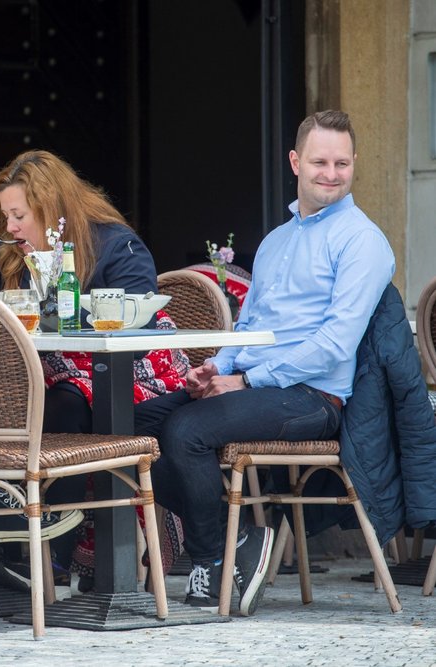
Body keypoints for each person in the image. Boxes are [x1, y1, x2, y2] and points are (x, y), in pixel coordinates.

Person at [134, 110, 396, 615]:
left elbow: (335, 343)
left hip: (314, 397)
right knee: (130, 428)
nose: (332, 172)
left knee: (187, 431)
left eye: (342, 162)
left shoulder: (362, 241)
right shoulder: (276, 242)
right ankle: (238, 546)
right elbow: (248, 324)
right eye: (320, 160)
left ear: (354, 164)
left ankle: (214, 561)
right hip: (254, 384)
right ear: (296, 161)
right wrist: (218, 369)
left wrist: (246, 378)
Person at [0, 149, 190, 587]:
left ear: (50, 206)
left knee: (65, 397)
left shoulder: (116, 244)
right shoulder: (16, 252)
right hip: (58, 378)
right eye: (6, 218)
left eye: (18, 215)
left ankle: (42, 530)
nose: (11, 227)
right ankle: (27, 534)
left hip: (135, 372)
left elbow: (137, 320)